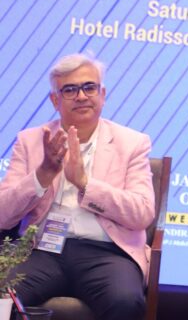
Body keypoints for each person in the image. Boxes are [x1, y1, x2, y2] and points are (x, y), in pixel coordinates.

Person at [0, 53, 155, 320]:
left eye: (89, 87)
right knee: (2, 294)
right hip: (41, 251)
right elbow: (3, 216)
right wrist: (42, 175)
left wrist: (85, 183)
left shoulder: (132, 143)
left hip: (107, 253)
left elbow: (142, 214)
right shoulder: (30, 141)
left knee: (125, 301)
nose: (82, 96)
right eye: (70, 89)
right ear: (55, 100)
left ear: (102, 94)